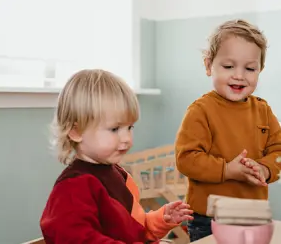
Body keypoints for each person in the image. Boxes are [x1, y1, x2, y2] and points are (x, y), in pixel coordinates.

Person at [40, 69, 194, 244]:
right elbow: (74, 238)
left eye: (130, 128)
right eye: (115, 129)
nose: (127, 138)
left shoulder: (119, 174)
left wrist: (161, 219)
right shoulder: (73, 187)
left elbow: (134, 229)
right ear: (76, 132)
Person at [175, 19, 281, 242]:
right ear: (209, 65)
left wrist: (265, 169)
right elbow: (187, 159)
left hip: (253, 216)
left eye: (249, 68)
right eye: (228, 66)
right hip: (209, 218)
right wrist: (227, 170)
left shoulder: (263, 110)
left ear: (260, 69)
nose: (239, 75)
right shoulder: (200, 111)